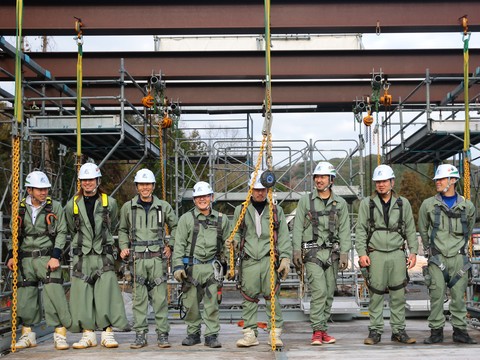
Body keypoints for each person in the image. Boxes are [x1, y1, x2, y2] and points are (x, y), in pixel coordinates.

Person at [65, 163, 128, 349]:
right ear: (80, 182)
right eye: (84, 180)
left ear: (97, 181)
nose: (87, 183)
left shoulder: (110, 203)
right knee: (81, 295)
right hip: (82, 257)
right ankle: (88, 333)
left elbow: (113, 223)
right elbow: (71, 228)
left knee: (106, 293)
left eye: (90, 179)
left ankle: (107, 332)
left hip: (104, 256)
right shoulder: (72, 205)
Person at [7, 171, 71, 350]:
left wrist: (55, 256)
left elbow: (62, 232)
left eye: (46, 189)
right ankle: (28, 334)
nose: (44, 192)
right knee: (26, 296)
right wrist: (12, 256)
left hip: (47, 257)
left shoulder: (54, 207)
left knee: (54, 294)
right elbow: (14, 234)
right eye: (40, 189)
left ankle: (60, 334)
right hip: (26, 258)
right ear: (29, 190)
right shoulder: (19, 208)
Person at [356, 164, 418, 345]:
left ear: (392, 182)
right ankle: (375, 331)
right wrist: (361, 253)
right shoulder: (367, 204)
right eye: (378, 182)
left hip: (397, 254)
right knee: (375, 293)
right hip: (375, 254)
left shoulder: (402, 203)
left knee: (398, 294)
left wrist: (413, 251)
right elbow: (360, 230)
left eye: (384, 181)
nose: (381, 185)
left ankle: (398, 330)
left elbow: (410, 229)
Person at [229, 170, 291, 348]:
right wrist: (231, 245)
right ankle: (250, 334)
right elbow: (236, 233)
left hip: (268, 260)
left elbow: (284, 236)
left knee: (273, 297)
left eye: (263, 189)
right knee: (248, 298)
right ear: (250, 189)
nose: (260, 192)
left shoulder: (276, 211)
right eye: (256, 189)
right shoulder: (240, 211)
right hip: (249, 261)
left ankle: (275, 333)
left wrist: (285, 258)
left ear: (268, 190)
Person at [292, 161, 351, 345]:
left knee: (329, 293)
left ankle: (323, 329)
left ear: (331, 180)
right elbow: (297, 227)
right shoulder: (305, 202)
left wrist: (344, 253)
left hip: (332, 253)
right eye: (317, 177)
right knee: (319, 292)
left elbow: (344, 229)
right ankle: (317, 331)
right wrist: (296, 250)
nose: (319, 180)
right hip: (312, 253)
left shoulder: (340, 203)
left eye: (323, 177)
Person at [118, 168, 178, 349]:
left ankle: (162, 334)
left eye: (148, 184)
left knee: (160, 299)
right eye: (142, 184)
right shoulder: (128, 207)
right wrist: (123, 247)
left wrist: (171, 246)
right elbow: (121, 229)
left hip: (157, 259)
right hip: (137, 260)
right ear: (137, 187)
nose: (145, 188)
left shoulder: (163, 206)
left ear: (153, 186)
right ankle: (140, 335)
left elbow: (176, 227)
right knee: (139, 300)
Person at [418, 164, 477, 344]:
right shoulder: (428, 205)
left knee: (459, 295)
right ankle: (436, 331)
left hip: (459, 257)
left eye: (441, 179)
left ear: (453, 180)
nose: (437, 182)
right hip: (437, 257)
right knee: (436, 295)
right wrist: (431, 250)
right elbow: (422, 228)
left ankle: (460, 331)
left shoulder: (467, 206)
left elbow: (469, 229)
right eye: (437, 179)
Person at [172, 181, 231, 348]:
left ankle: (211, 335)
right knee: (190, 303)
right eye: (199, 197)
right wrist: (177, 267)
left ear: (211, 197)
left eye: (205, 196)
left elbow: (229, 243)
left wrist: (229, 267)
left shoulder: (222, 219)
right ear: (194, 200)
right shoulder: (186, 219)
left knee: (212, 303)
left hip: (213, 267)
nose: (202, 199)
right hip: (192, 267)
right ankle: (193, 333)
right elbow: (179, 244)